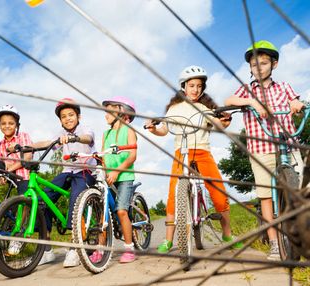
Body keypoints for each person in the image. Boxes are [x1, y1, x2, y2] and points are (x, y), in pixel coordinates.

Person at [146, 65, 242, 254]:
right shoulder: (173, 109)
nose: (195, 89)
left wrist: (225, 119)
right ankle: (168, 240)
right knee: (174, 195)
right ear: (183, 86)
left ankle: (227, 234)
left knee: (219, 193)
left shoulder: (205, 108)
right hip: (181, 153)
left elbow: (218, 124)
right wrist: (153, 129)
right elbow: (164, 130)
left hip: (202, 152)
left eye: (199, 86)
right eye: (191, 85)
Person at [224, 40, 304, 260]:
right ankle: (276, 244)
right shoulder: (247, 89)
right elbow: (229, 100)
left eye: (264, 63)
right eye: (254, 64)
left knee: (300, 190)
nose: (258, 67)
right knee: (266, 197)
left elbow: (295, 103)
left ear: (274, 65)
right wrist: (252, 102)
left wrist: (296, 105)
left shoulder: (284, 87)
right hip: (260, 148)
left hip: (287, 144)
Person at [24, 98, 96, 268]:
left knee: (76, 201)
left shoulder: (85, 129)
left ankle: (75, 248)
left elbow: (87, 138)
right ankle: (46, 250)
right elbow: (48, 143)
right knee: (42, 200)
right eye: (63, 116)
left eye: (71, 115)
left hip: (85, 171)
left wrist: (74, 138)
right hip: (67, 172)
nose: (68, 118)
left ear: (78, 116)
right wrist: (28, 146)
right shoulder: (60, 134)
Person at [89, 96, 138, 264]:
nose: (106, 115)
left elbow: (132, 156)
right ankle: (100, 248)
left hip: (124, 176)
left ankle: (129, 248)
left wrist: (116, 172)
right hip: (109, 178)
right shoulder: (106, 134)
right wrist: (99, 163)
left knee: (121, 211)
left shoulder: (129, 130)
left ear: (122, 111)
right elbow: (104, 156)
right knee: (104, 213)